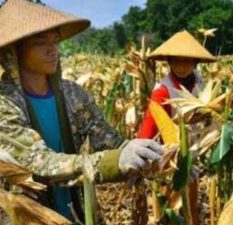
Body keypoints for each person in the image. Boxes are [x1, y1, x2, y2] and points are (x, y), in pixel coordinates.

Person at [0, 0, 163, 222]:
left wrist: (163, 162)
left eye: (55, 41)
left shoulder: (74, 95)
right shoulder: (4, 103)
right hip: (28, 214)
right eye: (40, 43)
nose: (53, 50)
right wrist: (114, 162)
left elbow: (111, 142)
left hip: (77, 210)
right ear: (14, 51)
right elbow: (38, 163)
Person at [137, 30, 216, 139]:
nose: (181, 67)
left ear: (195, 62)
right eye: (176, 61)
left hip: (200, 142)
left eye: (186, 61)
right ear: (169, 61)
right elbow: (147, 130)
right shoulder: (162, 91)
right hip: (175, 147)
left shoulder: (200, 80)